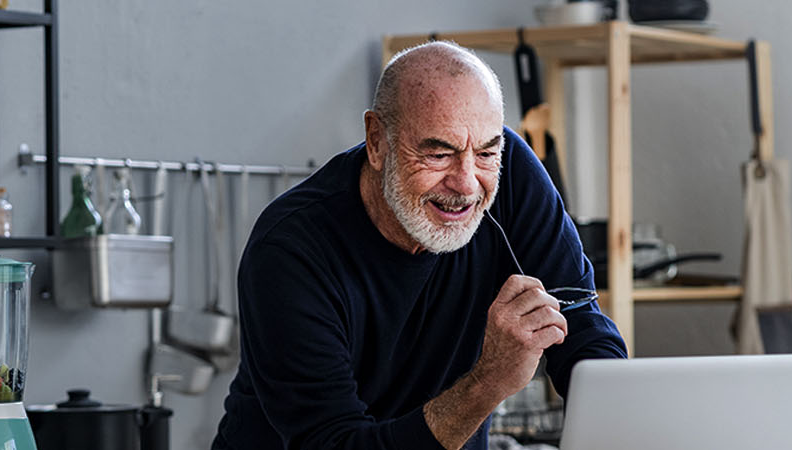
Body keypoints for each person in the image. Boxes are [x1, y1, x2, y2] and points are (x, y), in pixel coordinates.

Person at [210, 42, 628, 450]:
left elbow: (578, 321)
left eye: (485, 152)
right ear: (376, 141)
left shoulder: (512, 173)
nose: (466, 184)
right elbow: (335, 441)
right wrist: (487, 382)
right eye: (439, 153)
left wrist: (629, 422)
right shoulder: (290, 251)